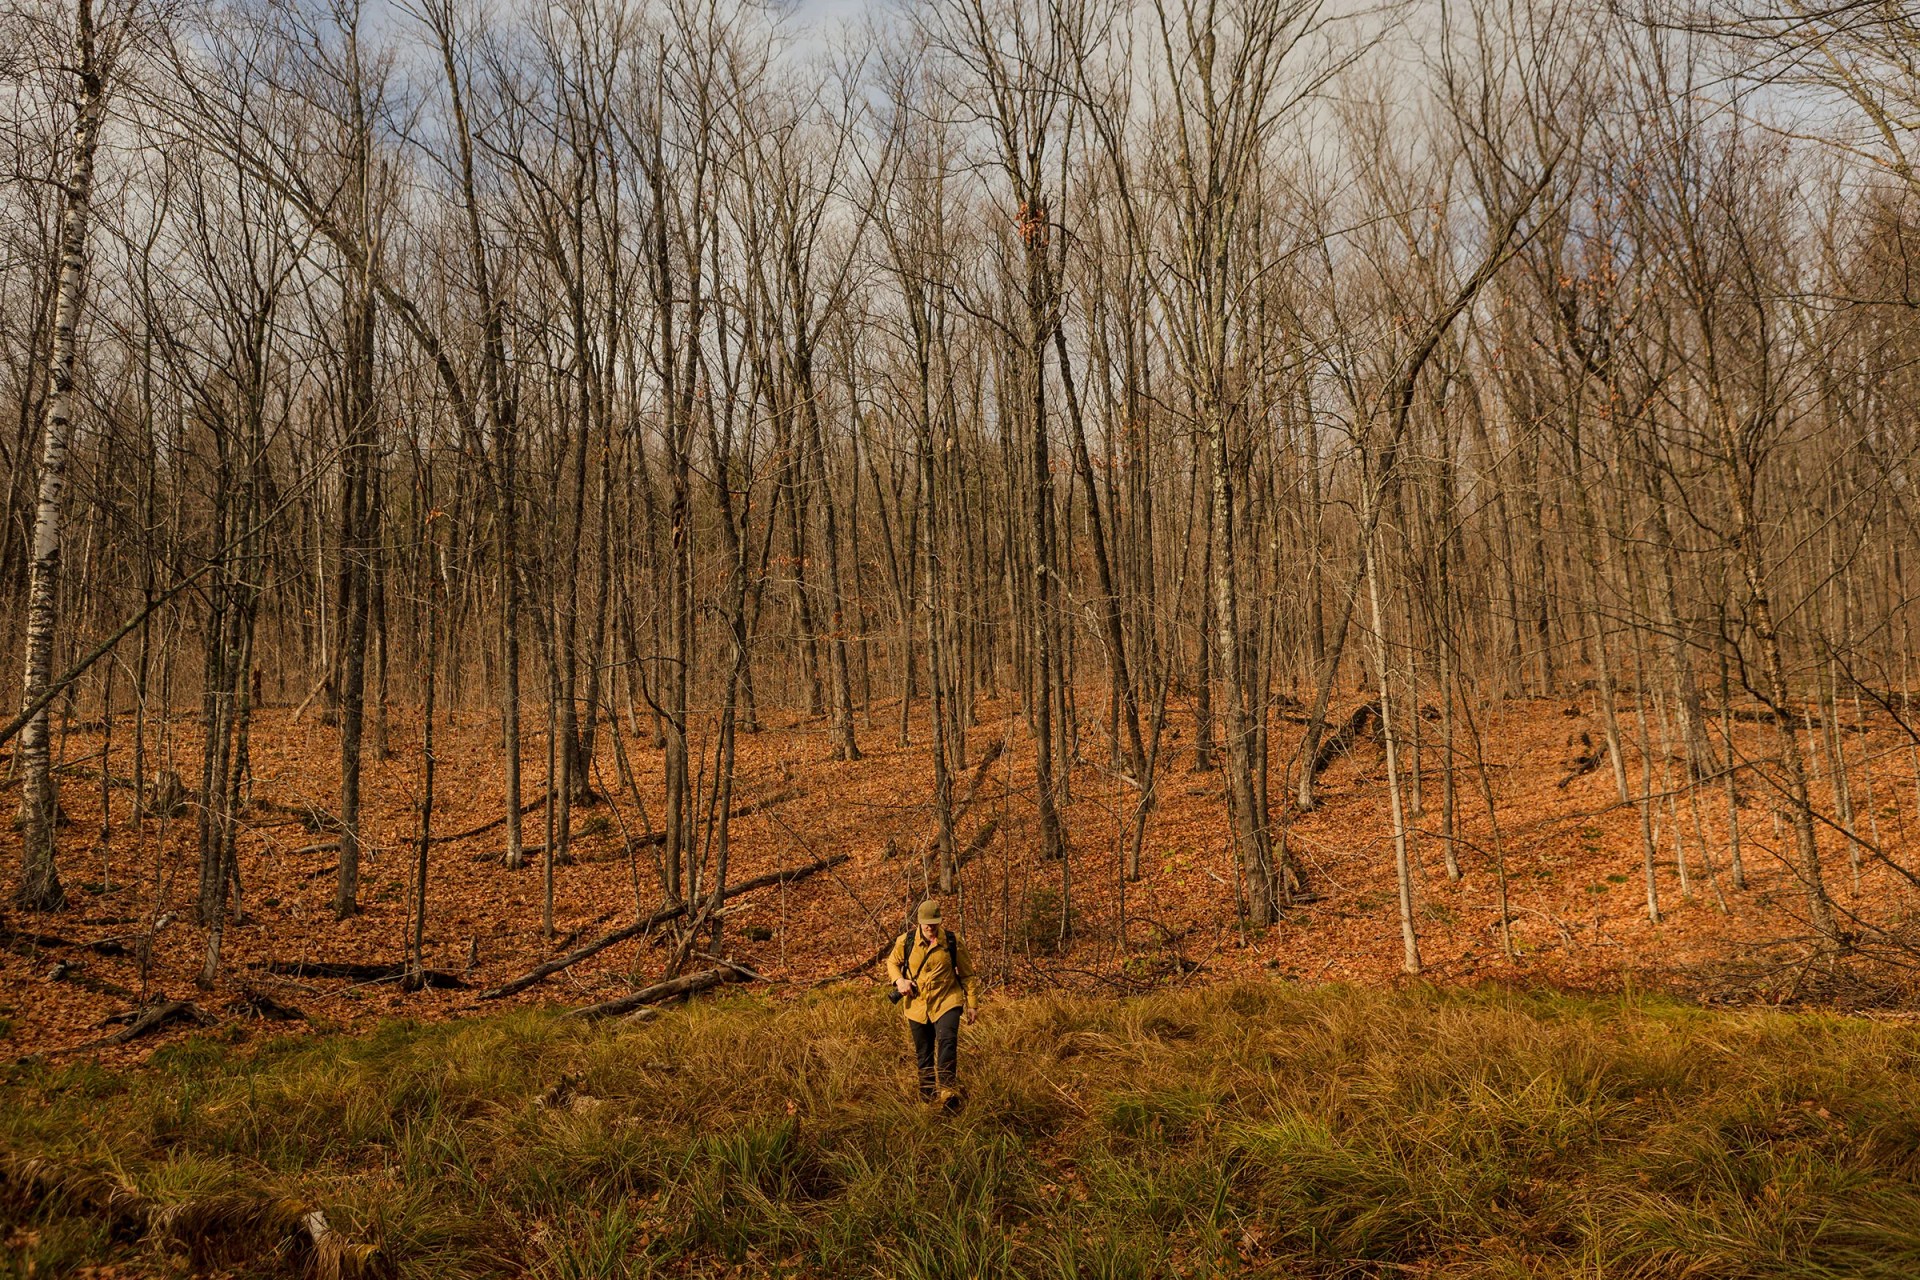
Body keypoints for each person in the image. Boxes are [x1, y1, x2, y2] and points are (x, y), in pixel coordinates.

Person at [886, 899, 978, 1105]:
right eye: (926, 923)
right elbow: (892, 962)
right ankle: (927, 1099)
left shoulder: (953, 941)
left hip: (947, 999)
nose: (930, 927)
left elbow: (968, 975)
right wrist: (899, 980)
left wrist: (972, 1004)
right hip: (917, 1005)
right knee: (924, 1051)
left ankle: (948, 1093)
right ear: (919, 922)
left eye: (934, 922)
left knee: (947, 1041)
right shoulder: (905, 941)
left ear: (940, 921)